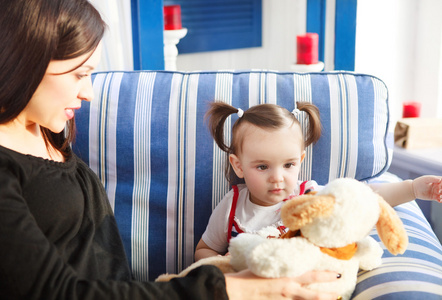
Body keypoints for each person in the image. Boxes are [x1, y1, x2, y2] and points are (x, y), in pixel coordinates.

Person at [0, 1, 343, 299]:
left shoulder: (45, 129)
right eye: (79, 74)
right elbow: (53, 293)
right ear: (26, 58)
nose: (88, 92)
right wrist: (235, 288)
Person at [195, 101, 442, 261]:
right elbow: (203, 249)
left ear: (300, 160)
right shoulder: (231, 207)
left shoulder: (311, 196)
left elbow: (363, 196)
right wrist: (222, 263)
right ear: (238, 166)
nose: (278, 177)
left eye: (289, 165)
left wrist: (413, 188)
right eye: (262, 166)